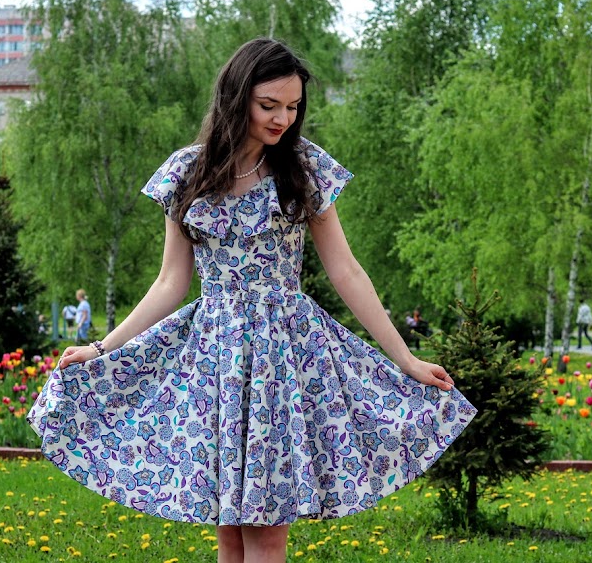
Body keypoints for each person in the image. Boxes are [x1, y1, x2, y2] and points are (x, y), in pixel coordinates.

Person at [27, 39, 475, 563]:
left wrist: (406, 359)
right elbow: (171, 282)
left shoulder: (303, 169)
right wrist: (103, 348)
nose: (283, 118)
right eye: (269, 105)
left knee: (265, 532)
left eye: (293, 106)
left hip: (282, 358)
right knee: (230, 532)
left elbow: (347, 271)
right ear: (236, 98)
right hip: (213, 360)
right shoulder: (187, 173)